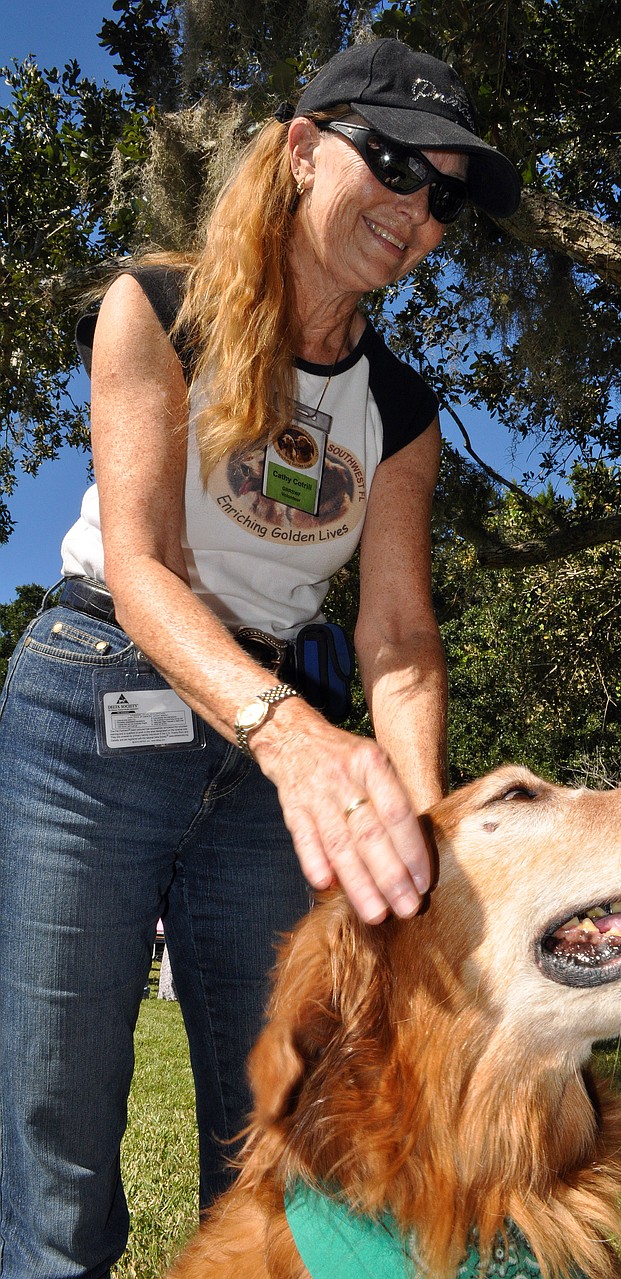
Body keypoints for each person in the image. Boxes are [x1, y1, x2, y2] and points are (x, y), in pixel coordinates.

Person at [0, 39, 521, 1278]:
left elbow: (396, 638)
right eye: (393, 164)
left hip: (271, 761)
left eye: (442, 196)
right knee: (54, 1127)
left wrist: (428, 842)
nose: (415, 212)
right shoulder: (156, 305)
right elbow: (145, 568)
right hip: (96, 702)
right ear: (300, 146)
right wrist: (300, 741)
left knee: (268, 1121)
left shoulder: (400, 407)